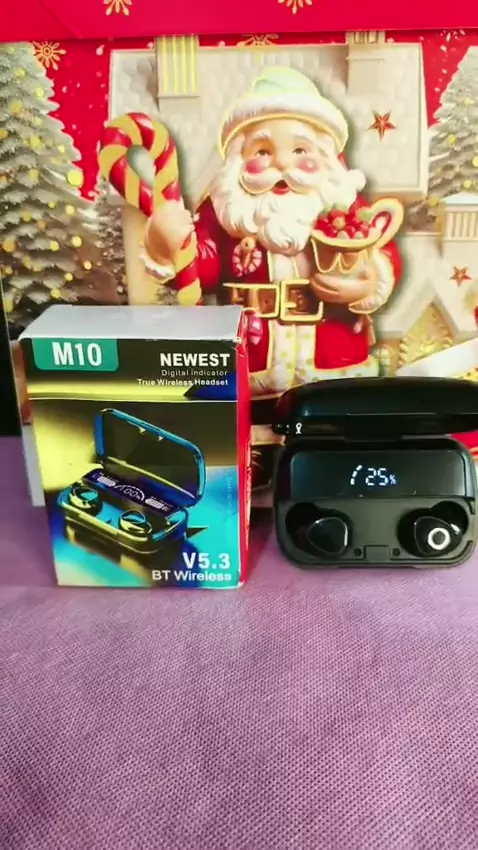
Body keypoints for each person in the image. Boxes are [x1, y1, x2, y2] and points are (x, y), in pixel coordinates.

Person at [143, 67, 402, 488]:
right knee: (253, 427)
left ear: (327, 159)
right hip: (254, 355)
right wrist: (165, 241)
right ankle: (255, 467)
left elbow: (380, 253)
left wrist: (367, 282)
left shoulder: (345, 211)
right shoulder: (224, 215)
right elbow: (200, 267)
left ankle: (327, 464)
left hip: (332, 354)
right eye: (263, 151)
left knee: (330, 425)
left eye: (300, 150)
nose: (282, 163)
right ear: (238, 161)